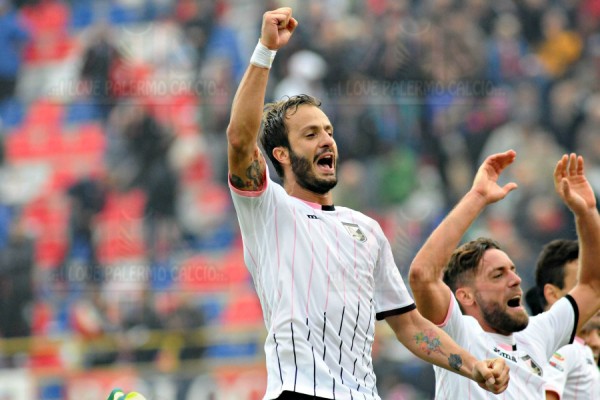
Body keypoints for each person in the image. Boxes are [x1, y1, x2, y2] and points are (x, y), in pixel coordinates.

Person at [226, 7, 509, 400]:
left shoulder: (366, 230)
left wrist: (473, 366)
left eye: (328, 131)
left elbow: (410, 325)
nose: (327, 139)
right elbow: (240, 140)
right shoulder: (267, 210)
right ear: (282, 155)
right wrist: (265, 51)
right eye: (310, 134)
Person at [408, 151, 600, 399]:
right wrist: (477, 197)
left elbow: (593, 286)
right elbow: (422, 275)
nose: (516, 280)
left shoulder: (537, 333)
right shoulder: (457, 333)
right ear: (466, 296)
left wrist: (587, 213)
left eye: (513, 270)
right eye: (498, 275)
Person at [525, 239, 600, 399]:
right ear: (553, 294)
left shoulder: (577, 347)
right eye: (583, 286)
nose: (594, 294)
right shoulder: (560, 346)